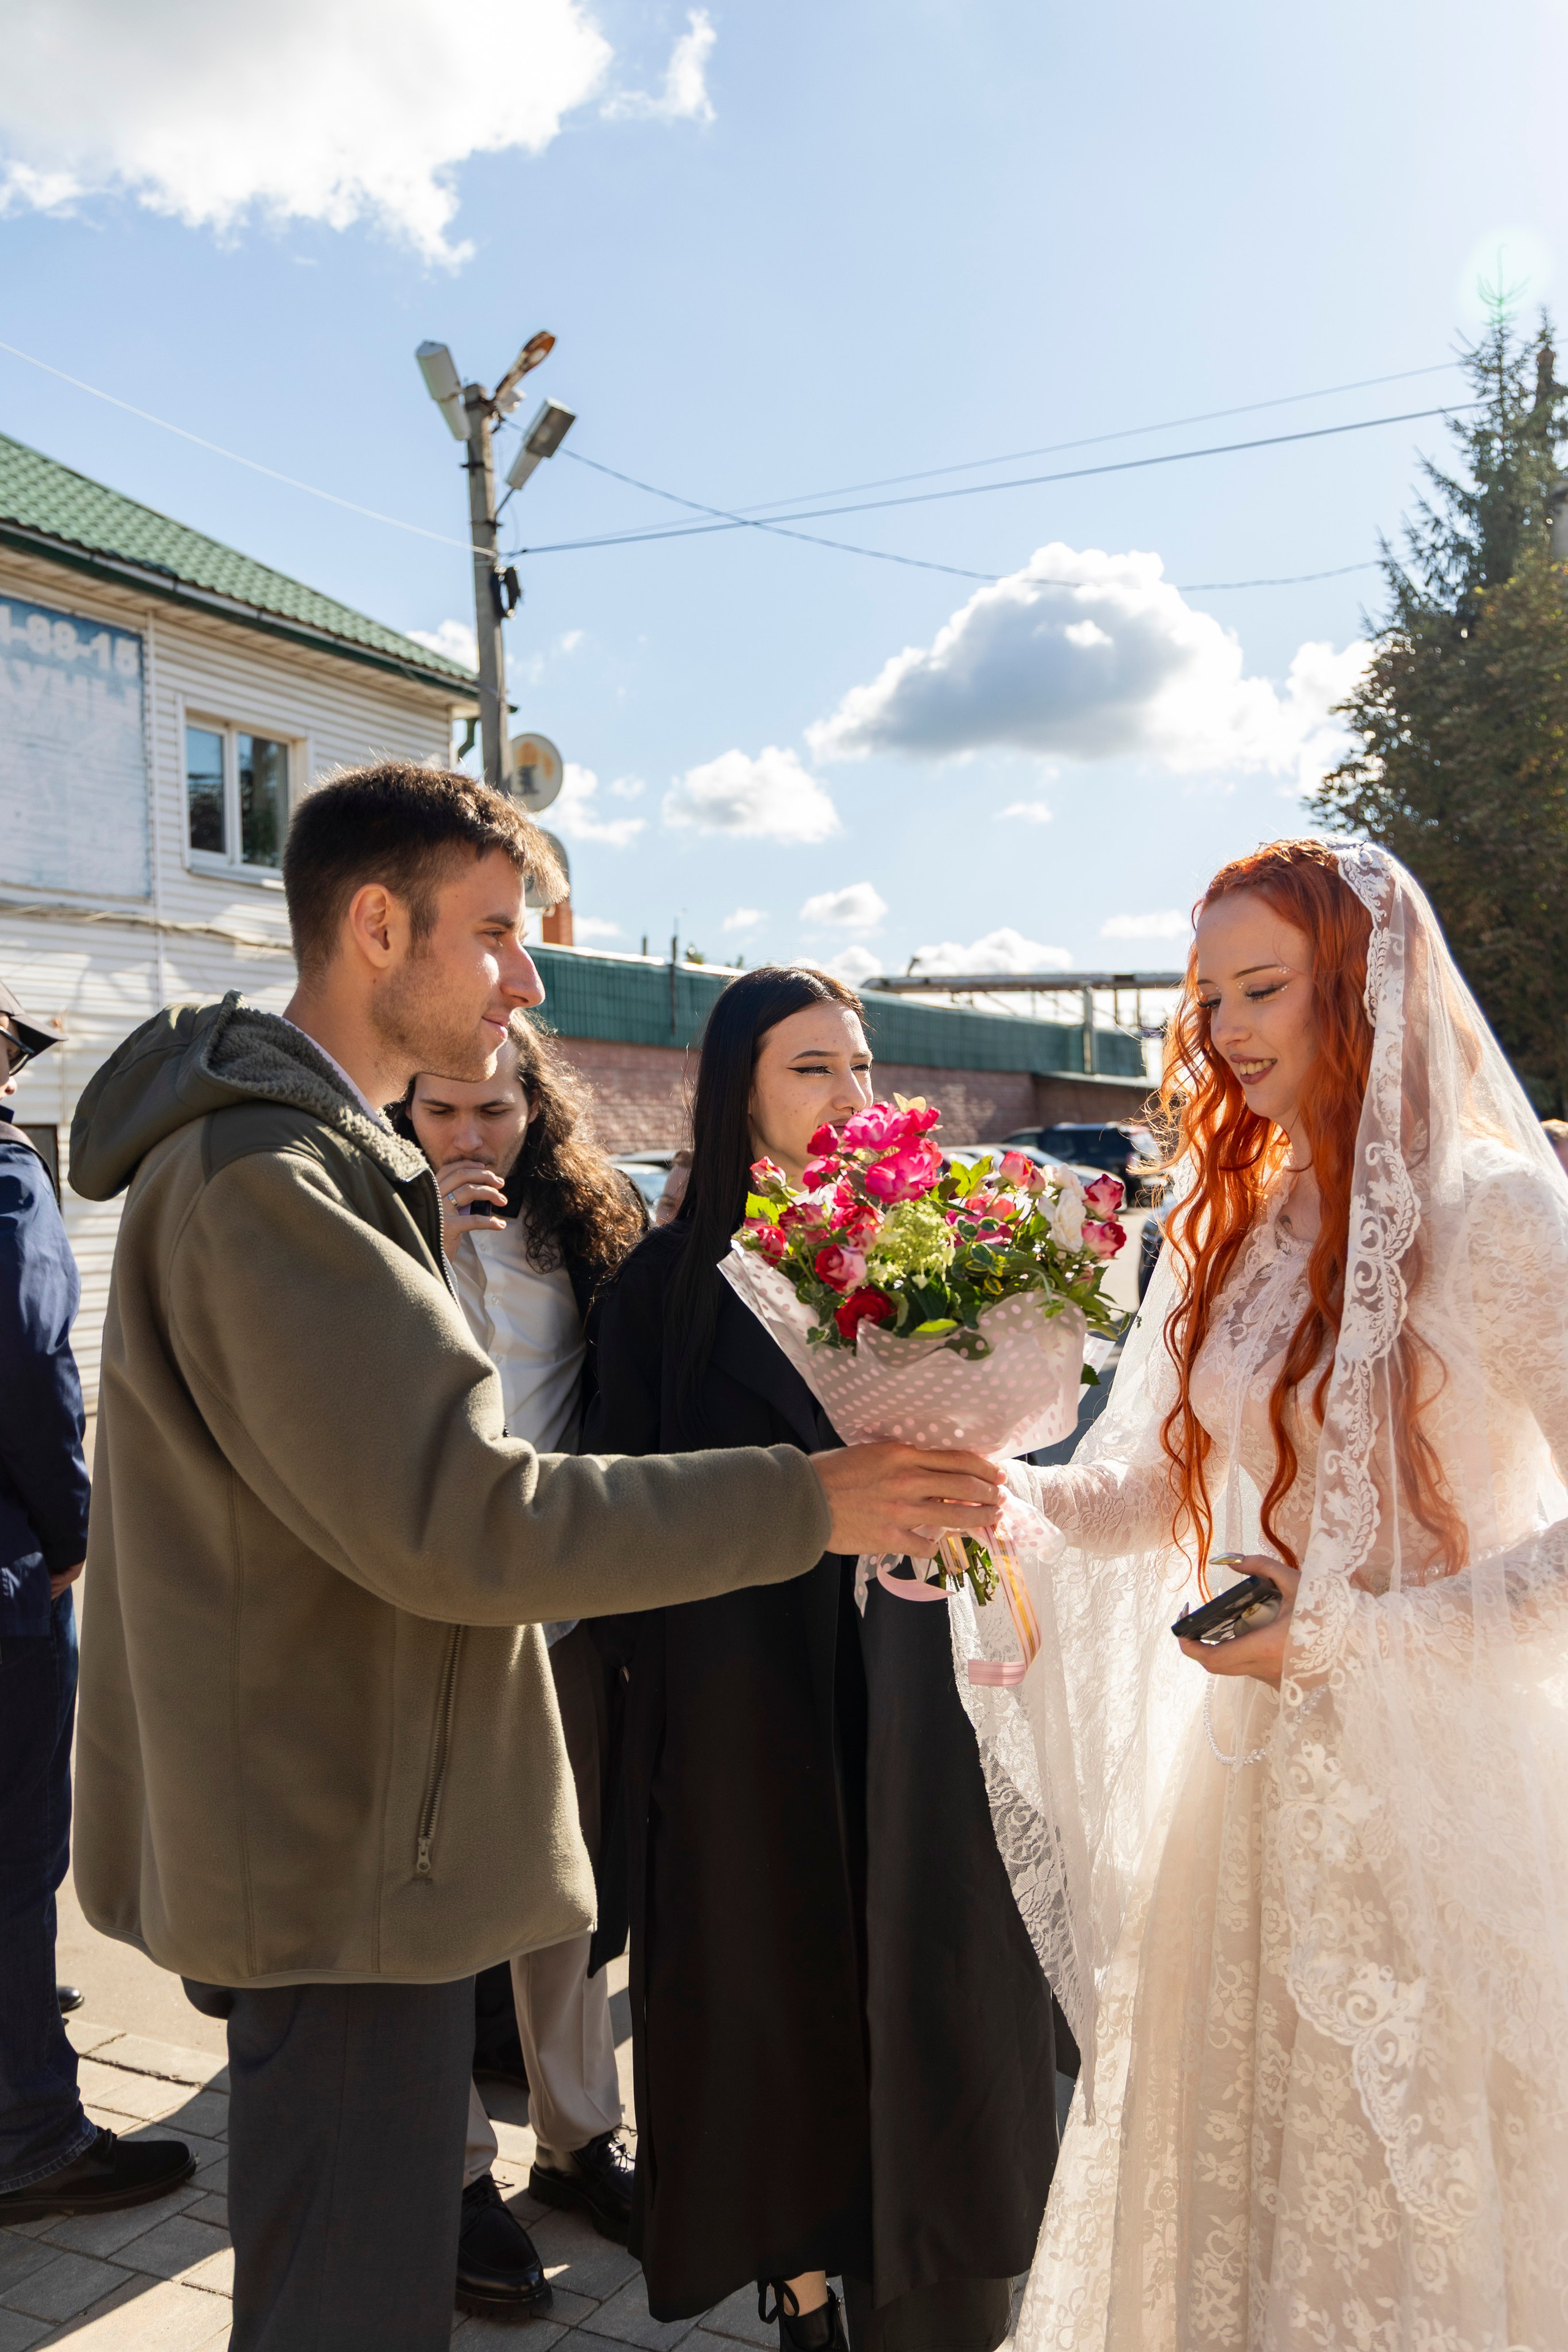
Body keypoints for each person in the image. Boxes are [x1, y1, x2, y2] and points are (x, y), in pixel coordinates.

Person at [66, 763, 1003, 2352]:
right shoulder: (270, 1183)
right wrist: (810, 1498)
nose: (531, 976)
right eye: (497, 932)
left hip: (355, 1843)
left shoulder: (313, 1159)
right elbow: (471, 1523)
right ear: (377, 927)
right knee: (345, 2312)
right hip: (339, 1859)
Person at [982, 839, 1568, 2351]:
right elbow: (1158, 1496)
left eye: (1262, 988)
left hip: (1440, 1785)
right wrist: (995, 1496)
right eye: (1207, 995)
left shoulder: (1497, 1216)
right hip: (1243, 1785)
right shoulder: (1240, 1218)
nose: (1228, 1028)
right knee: (1233, 2191)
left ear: (1359, 990)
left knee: (1408, 2191)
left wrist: (1353, 1642)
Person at [587, 966, 1061, 2352]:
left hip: (929, 1700)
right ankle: (795, 2284)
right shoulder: (665, 1290)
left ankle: (943, 2276)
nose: (851, 1096)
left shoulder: (940, 1258)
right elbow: (618, 1519)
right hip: (750, 1709)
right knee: (770, 1995)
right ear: (735, 1088)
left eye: (862, 1067)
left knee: (935, 1984)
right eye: (812, 1070)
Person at [400, 1013, 646, 2318]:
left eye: (495, 1110)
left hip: (560, 1608)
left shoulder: (581, 1231)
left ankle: (577, 2136)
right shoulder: (364, 1227)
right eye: (441, 1111)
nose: (472, 1136)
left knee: (564, 1892)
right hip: (424, 1614)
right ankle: (447, 2178)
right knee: (441, 1905)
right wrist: (419, 1231)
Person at [0, 982, 195, 2225]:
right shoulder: (8, 1178)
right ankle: (27, 2136)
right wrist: (71, 1535)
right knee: (16, 1865)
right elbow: (25, 1358)